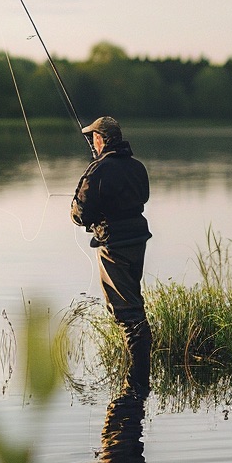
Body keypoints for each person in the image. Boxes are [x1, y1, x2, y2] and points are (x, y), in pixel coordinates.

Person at [70, 115, 152, 353]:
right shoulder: (137, 167)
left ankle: (137, 385)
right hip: (138, 240)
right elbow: (142, 198)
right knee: (133, 303)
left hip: (114, 245)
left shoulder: (98, 169)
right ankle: (139, 380)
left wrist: (75, 209)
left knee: (127, 314)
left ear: (99, 139)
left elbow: (80, 214)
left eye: (93, 138)